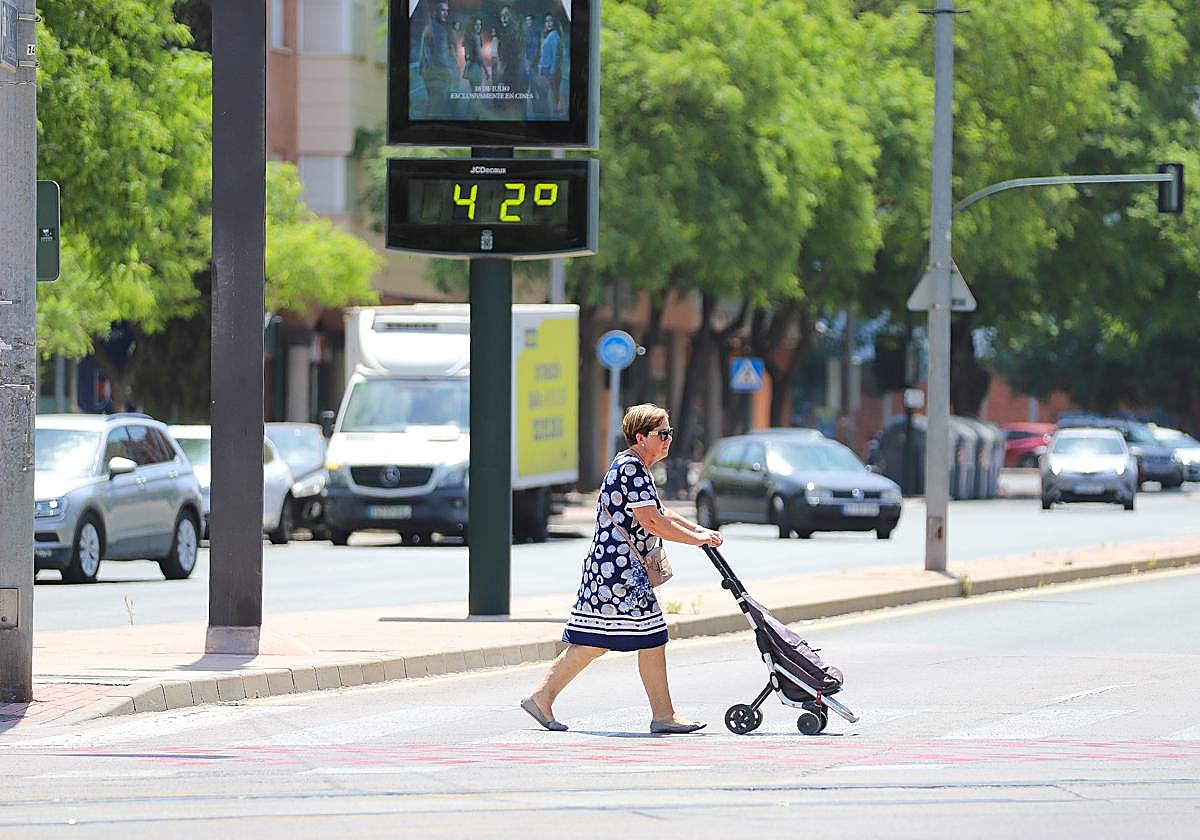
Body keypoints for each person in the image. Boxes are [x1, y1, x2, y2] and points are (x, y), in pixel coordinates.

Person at [520, 404, 724, 734]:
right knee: (649, 638)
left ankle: (542, 697)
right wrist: (696, 540)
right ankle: (663, 716)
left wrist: (698, 531)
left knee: (596, 640)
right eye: (663, 434)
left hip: (613, 571)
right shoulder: (631, 468)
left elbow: (661, 512)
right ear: (640, 437)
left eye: (669, 433)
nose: (669, 440)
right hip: (620, 574)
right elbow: (652, 521)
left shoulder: (632, 467)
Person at [417, 0, 456, 117]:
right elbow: (439, 55)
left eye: (447, 11)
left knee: (432, 103)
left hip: (428, 72)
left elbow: (423, 52)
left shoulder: (429, 27)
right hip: (436, 73)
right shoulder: (438, 30)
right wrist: (450, 71)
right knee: (438, 106)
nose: (446, 13)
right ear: (435, 12)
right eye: (443, 10)